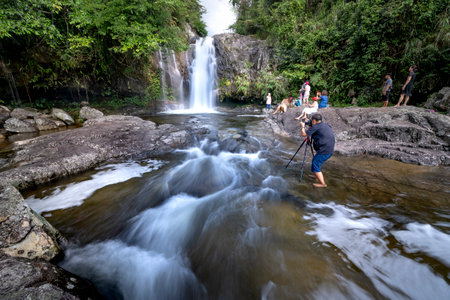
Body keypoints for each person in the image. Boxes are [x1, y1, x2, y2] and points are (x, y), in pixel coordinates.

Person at [300, 114, 335, 188]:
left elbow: (304, 134)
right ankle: (317, 176)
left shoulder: (316, 126)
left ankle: (323, 184)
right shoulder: (324, 125)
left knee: (315, 163)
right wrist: (306, 122)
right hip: (329, 148)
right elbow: (311, 123)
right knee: (317, 162)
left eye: (312, 121)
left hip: (325, 150)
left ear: (314, 121)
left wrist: (302, 126)